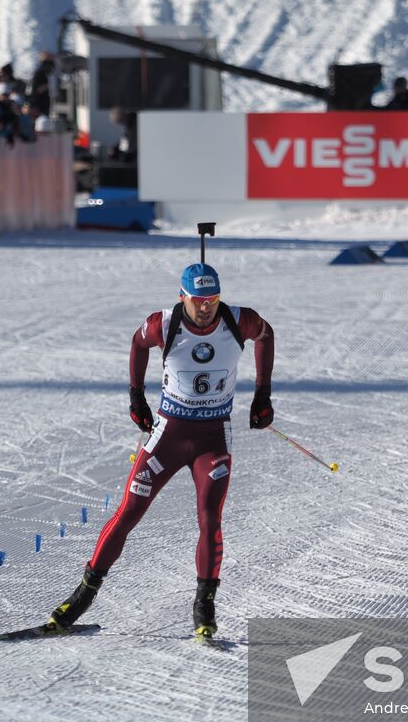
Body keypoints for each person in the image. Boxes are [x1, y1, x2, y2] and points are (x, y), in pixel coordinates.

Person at [45, 261, 275, 640]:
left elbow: (266, 336)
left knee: (209, 519)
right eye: (198, 300)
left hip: (213, 438)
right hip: (168, 435)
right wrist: (136, 396)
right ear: (183, 296)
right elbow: (138, 344)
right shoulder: (163, 324)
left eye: (212, 300)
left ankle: (204, 608)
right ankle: (80, 599)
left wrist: (263, 394)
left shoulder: (239, 320)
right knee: (129, 512)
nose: (206, 308)